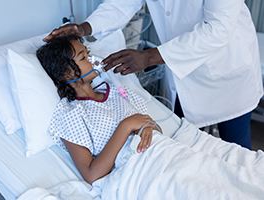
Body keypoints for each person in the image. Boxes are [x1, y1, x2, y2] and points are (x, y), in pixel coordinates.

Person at [43, 0, 263, 150]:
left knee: (236, 150)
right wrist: (83, 28)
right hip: (183, 73)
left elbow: (219, 28)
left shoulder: (124, 96)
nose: (89, 58)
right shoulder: (72, 113)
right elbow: (122, 3)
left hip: (228, 71)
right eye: (83, 57)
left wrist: (149, 57)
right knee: (189, 145)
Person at [36, 35, 160, 185]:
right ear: (66, 73)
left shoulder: (117, 92)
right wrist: (126, 125)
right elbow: (92, 175)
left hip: (161, 153)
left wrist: (148, 128)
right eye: (83, 58)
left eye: (88, 53)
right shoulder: (71, 114)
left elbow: (152, 126)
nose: (92, 59)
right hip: (139, 175)